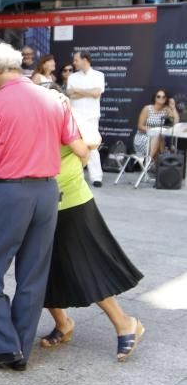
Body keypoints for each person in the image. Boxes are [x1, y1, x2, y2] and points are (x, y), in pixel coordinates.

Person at [0, 43, 85, 372]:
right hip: (47, 191)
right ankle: (20, 350)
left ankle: (6, 347)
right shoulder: (52, 98)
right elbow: (81, 149)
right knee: (33, 274)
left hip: (10, 193)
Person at [39, 101, 145, 361]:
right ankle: (63, 323)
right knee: (39, 269)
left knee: (86, 265)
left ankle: (125, 323)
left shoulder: (65, 117)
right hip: (38, 204)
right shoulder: (33, 121)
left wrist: (68, 111)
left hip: (73, 202)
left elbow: (92, 141)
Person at [67, 51, 105, 187]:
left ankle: (96, 177)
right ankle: (77, 176)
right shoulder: (72, 77)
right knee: (75, 146)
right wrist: (87, 92)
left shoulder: (99, 75)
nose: (74, 62)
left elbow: (96, 93)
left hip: (91, 116)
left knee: (92, 145)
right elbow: (70, 94)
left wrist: (79, 90)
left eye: (76, 60)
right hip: (75, 116)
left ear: (85, 60)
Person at [134, 89, 179, 164]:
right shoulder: (147, 109)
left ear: (166, 99)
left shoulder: (166, 110)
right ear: (155, 98)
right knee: (158, 136)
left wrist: (173, 108)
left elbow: (175, 123)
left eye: (163, 97)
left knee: (159, 136)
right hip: (143, 137)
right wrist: (152, 131)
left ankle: (152, 164)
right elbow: (140, 126)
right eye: (158, 96)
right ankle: (150, 162)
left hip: (158, 139)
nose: (161, 98)